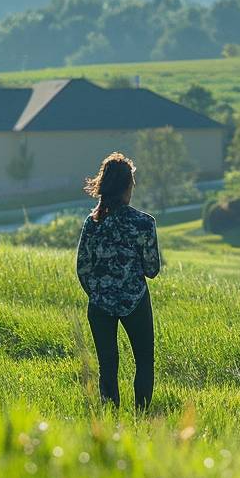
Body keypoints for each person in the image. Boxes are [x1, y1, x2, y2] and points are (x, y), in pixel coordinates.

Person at [76, 153, 160, 410]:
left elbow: (83, 268)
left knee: (107, 366)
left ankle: (111, 420)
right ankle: (142, 416)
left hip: (100, 305)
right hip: (135, 302)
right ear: (127, 186)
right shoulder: (144, 223)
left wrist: (100, 292)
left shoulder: (93, 223)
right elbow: (152, 269)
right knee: (144, 362)